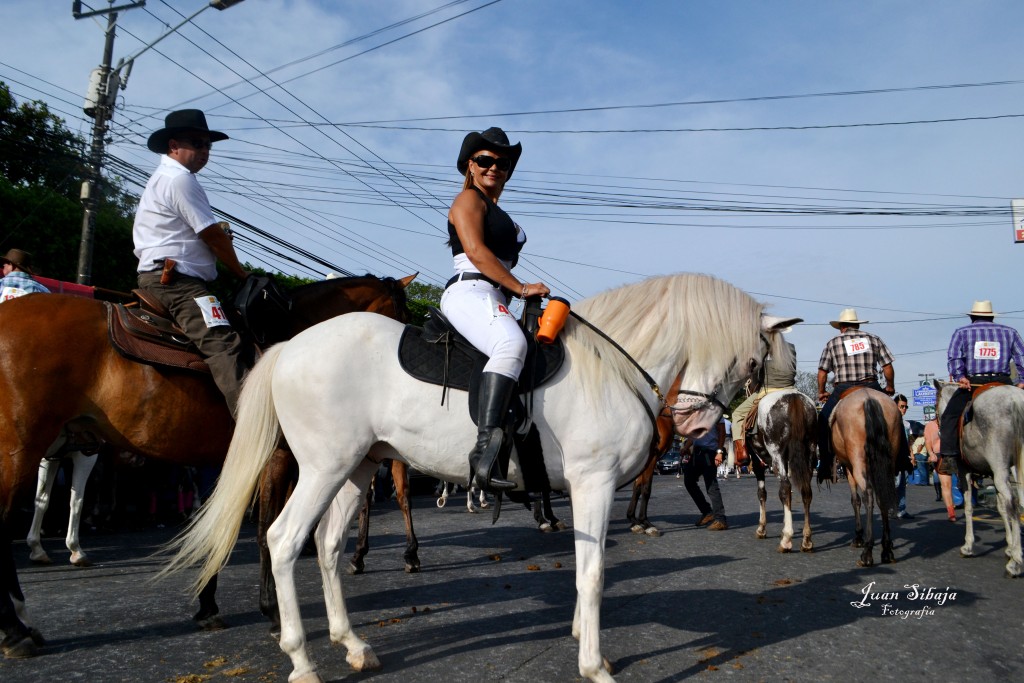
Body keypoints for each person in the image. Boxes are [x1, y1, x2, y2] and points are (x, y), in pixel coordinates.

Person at [440, 127, 550, 492]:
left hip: (494, 296)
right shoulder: (468, 201)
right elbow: (475, 251)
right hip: (470, 290)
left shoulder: (497, 209)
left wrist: (517, 294)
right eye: (485, 161)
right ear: (470, 166)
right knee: (511, 346)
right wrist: (520, 287)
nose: (494, 167)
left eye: (502, 163)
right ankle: (485, 451)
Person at [133, 109, 250, 415]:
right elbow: (212, 235)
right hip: (179, 285)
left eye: (208, 146)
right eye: (197, 143)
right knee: (223, 345)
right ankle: (259, 428)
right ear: (173, 145)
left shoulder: (164, 179)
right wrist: (242, 274)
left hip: (163, 277)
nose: (204, 151)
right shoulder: (180, 180)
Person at [937, 300, 1024, 472]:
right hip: (1003, 381)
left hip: (974, 383)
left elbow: (954, 358)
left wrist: (960, 377)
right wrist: (1022, 380)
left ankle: (949, 457)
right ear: (992, 316)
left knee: (949, 417)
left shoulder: (962, 332)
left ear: (972, 317)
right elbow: (1021, 357)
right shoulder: (1010, 332)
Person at [816, 308, 898, 482]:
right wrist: (890, 386)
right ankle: (902, 459)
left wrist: (821, 391)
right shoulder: (874, 339)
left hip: (843, 388)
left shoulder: (833, 343)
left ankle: (824, 463)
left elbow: (822, 373)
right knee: (895, 415)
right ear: (858, 325)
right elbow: (888, 368)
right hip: (872, 384)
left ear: (841, 327)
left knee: (822, 422)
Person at [730, 335, 797, 465]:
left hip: (769, 389)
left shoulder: (761, 348)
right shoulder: (790, 347)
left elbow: (754, 375)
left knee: (737, 414)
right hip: (790, 388)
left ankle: (741, 451)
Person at [681, 420, 729, 530]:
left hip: (710, 453)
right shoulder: (696, 414)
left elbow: (722, 432)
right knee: (689, 481)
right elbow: (694, 435)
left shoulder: (715, 411)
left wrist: (719, 452)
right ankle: (707, 512)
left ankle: (720, 519)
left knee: (711, 486)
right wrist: (686, 447)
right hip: (697, 453)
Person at [923, 418, 956, 522]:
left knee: (960, 483)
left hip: (953, 454)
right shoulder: (930, 425)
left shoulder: (950, 422)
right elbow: (927, 441)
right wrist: (931, 453)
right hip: (940, 456)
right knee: (946, 485)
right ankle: (951, 512)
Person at [892, 394, 913, 519]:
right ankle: (891, 509)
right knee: (894, 483)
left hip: (903, 457)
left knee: (902, 484)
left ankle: (901, 509)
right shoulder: (889, 422)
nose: (904, 409)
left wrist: (912, 456)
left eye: (906, 407)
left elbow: (909, 441)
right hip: (893, 457)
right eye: (901, 406)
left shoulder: (906, 424)